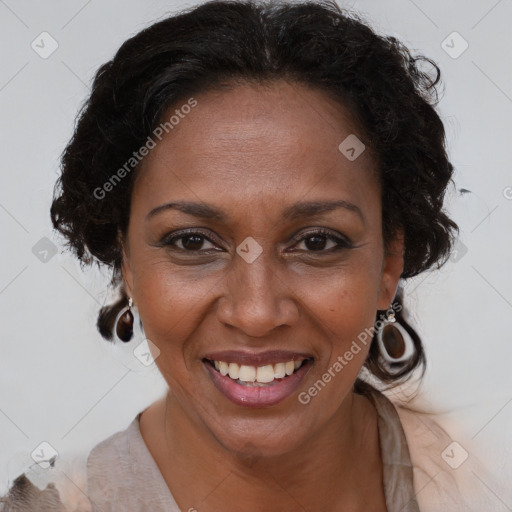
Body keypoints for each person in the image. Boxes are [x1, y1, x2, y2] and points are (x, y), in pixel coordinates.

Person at [1, 0, 492, 510]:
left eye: (317, 241)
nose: (256, 313)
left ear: (390, 262)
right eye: (192, 242)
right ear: (125, 261)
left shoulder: (484, 485)